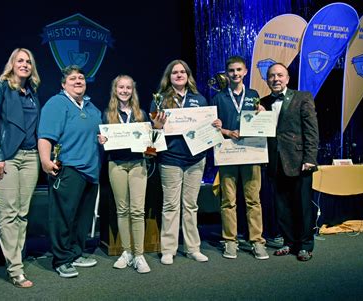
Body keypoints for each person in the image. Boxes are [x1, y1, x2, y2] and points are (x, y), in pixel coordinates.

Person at [0, 48, 41, 288]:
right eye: (20, 60)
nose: (25, 64)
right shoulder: (0, 87)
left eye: (28, 61)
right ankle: (15, 269)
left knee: (22, 213)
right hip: (5, 157)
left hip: (30, 158)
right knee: (8, 213)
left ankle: (16, 260)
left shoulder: (32, 92)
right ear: (12, 64)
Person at [38, 65, 102, 277]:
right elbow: (46, 136)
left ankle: (75, 253)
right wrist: (46, 161)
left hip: (90, 171)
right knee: (63, 217)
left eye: (81, 78)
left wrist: (104, 138)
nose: (78, 81)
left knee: (81, 218)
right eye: (73, 78)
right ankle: (61, 260)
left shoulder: (93, 109)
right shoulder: (57, 104)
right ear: (63, 84)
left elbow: (99, 136)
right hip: (68, 169)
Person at [150, 59, 213, 265]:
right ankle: (168, 249)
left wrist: (215, 125)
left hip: (195, 159)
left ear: (188, 76)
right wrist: (157, 126)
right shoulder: (159, 99)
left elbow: (206, 129)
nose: (178, 75)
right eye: (174, 72)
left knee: (191, 205)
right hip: (170, 158)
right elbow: (154, 133)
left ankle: (193, 248)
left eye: (182, 72)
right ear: (169, 77)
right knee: (170, 205)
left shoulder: (200, 99)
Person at [210, 56, 269, 260]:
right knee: (228, 201)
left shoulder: (253, 95)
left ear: (245, 72)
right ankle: (230, 241)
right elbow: (212, 127)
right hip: (228, 153)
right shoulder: (218, 98)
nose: (235, 74)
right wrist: (224, 130)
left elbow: (260, 124)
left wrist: (261, 113)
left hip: (250, 153)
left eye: (238, 70)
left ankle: (257, 241)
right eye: (231, 71)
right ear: (226, 74)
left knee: (253, 200)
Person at [260, 63, 319, 261]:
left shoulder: (303, 97)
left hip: (299, 160)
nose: (275, 79)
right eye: (271, 76)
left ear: (287, 78)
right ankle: (289, 242)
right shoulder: (262, 102)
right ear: (267, 80)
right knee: (281, 205)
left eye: (279, 75)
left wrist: (310, 158)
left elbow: (311, 130)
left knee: (302, 205)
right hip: (275, 162)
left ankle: (305, 245)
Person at [100, 75, 151, 273]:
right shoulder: (107, 114)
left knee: (138, 211)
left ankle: (139, 255)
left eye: (128, 87)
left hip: (138, 163)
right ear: (115, 89)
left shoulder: (141, 113)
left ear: (133, 90)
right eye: (121, 87)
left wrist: (152, 143)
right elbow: (103, 140)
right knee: (122, 210)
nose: (124, 90)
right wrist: (101, 140)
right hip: (116, 165)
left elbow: (150, 143)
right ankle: (126, 252)